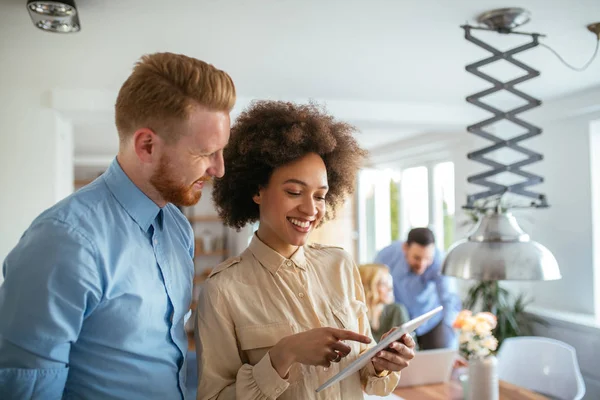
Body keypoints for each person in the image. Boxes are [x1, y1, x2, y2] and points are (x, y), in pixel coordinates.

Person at [0, 52, 236, 399]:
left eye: (221, 151)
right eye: (204, 153)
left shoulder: (177, 229)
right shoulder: (63, 240)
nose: (219, 169)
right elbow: (26, 389)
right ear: (147, 145)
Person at [196, 101, 415, 400]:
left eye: (320, 196)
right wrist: (283, 355)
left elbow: (364, 373)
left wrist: (380, 362)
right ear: (257, 190)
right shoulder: (223, 290)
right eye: (294, 192)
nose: (311, 209)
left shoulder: (339, 264)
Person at [374, 227, 461, 350]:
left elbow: (449, 299)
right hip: (398, 319)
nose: (422, 264)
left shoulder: (440, 260)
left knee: (440, 357)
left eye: (428, 259)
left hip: (430, 320)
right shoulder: (386, 256)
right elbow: (373, 285)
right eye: (417, 258)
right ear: (405, 248)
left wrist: (452, 341)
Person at [358, 264, 413, 344]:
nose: (390, 288)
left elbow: (412, 348)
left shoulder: (397, 310)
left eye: (390, 283)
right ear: (367, 287)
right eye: (384, 283)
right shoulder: (357, 314)